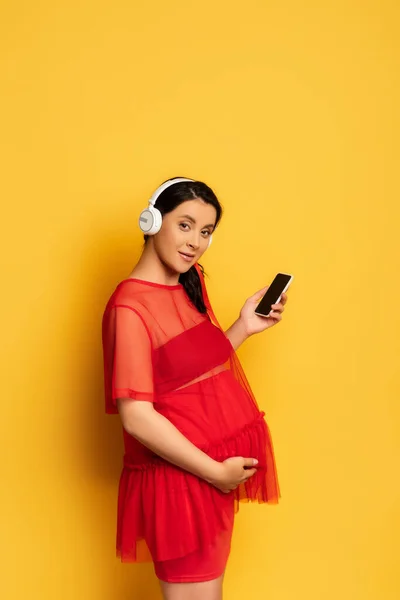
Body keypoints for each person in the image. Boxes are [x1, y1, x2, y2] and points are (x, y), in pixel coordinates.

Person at [101, 177, 288, 600]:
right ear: (152, 221)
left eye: (206, 232)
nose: (196, 243)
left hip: (207, 478)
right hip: (182, 482)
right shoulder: (130, 307)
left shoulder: (188, 282)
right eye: (185, 225)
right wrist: (215, 473)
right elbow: (136, 418)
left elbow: (186, 371)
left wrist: (243, 326)